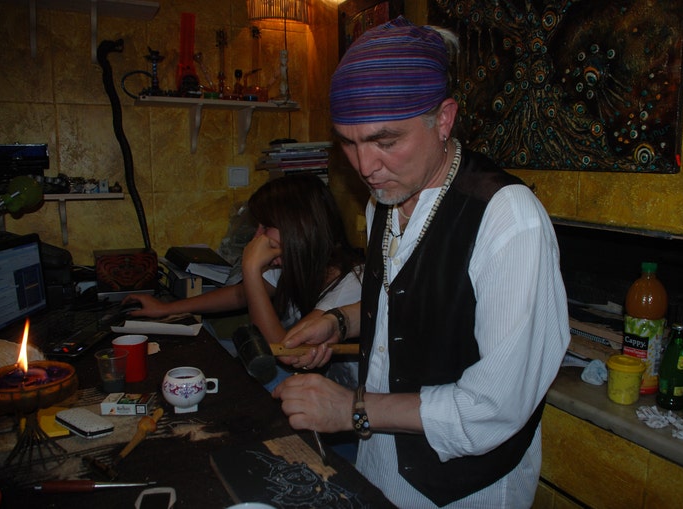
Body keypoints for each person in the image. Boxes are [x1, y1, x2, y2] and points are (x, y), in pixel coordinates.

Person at [270, 17, 570, 508]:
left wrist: (354, 408)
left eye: (386, 141)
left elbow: (495, 406)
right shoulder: (385, 200)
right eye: (348, 142)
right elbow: (413, 300)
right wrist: (339, 321)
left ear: (444, 119)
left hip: (463, 490)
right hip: (381, 458)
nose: (365, 167)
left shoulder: (509, 220)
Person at [123, 174, 364, 390]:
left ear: (298, 226)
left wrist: (251, 269)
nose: (257, 237)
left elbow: (286, 351)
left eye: (266, 226)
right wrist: (166, 308)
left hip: (338, 397)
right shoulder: (296, 262)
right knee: (203, 344)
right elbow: (240, 295)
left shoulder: (352, 282)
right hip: (300, 377)